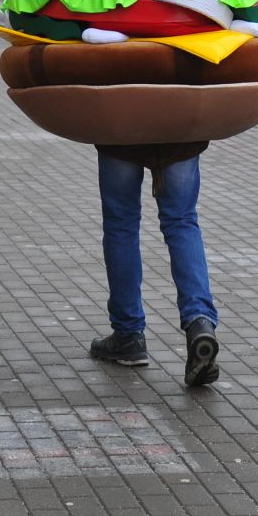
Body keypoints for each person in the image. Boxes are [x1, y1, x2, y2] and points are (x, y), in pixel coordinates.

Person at [88, 141, 220, 388]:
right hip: (179, 129)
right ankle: (199, 321)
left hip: (120, 128)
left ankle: (128, 335)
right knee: (182, 221)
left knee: (121, 224)